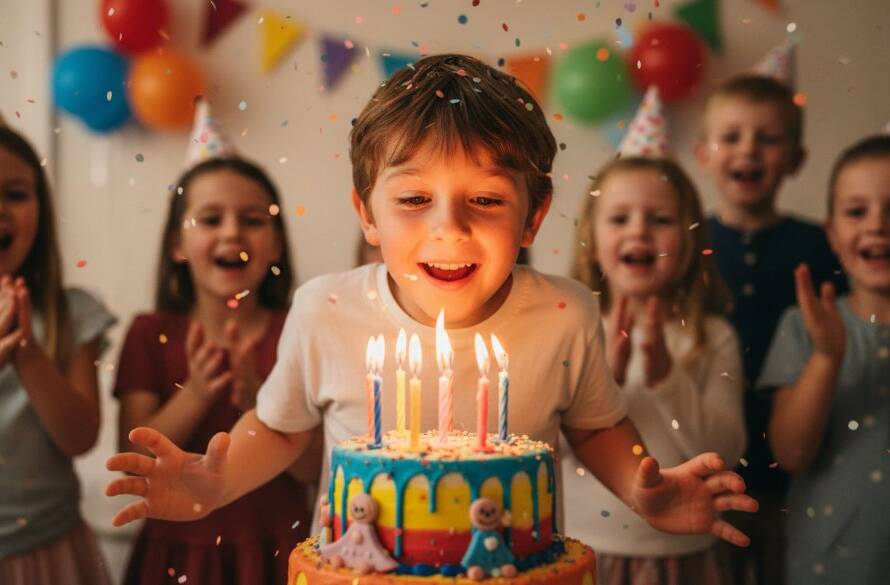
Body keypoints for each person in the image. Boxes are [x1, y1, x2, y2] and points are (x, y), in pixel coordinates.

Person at [105, 54, 757, 555]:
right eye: (414, 199)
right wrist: (214, 483)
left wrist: (644, 485)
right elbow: (280, 426)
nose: (450, 227)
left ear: (534, 217)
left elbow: (595, 427)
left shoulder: (566, 313)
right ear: (366, 212)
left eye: (487, 199)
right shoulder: (325, 307)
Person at [563, 86, 746, 584]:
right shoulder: (571, 328)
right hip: (584, 550)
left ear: (690, 242)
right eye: (620, 218)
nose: (639, 231)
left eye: (660, 219)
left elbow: (724, 450)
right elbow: (544, 448)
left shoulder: (713, 337)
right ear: (594, 241)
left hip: (685, 555)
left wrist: (667, 379)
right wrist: (606, 383)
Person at [114, 149, 320, 584]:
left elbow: (314, 469)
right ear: (177, 244)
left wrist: (261, 403)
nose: (232, 232)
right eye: (210, 219)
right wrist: (197, 394)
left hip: (277, 551)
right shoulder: (150, 334)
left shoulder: (300, 327)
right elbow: (133, 463)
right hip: (175, 553)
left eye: (253, 220)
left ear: (277, 243)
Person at [696, 73, 846, 584]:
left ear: (796, 159)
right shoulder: (688, 247)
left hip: (801, 473)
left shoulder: (823, 246)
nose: (749, 150)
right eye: (732, 136)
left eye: (769, 137)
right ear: (704, 154)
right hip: (710, 469)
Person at [761, 134, 890, 584]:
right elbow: (791, 453)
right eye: (858, 211)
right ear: (832, 234)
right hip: (829, 566)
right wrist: (827, 359)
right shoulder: (804, 325)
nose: (878, 225)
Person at [0, 124, 116, 585]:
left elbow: (80, 437)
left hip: (48, 550)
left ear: (42, 213)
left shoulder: (71, 313)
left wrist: (28, 355)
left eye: (15, 193)